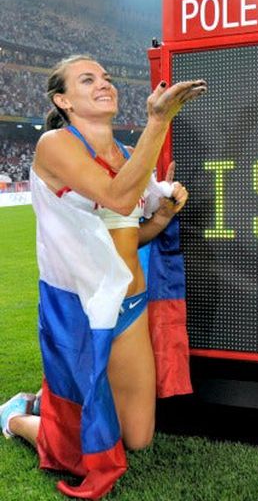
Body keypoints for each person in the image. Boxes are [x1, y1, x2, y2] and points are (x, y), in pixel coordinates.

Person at [0, 54, 206, 499]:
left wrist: (162, 215)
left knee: (138, 439)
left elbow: (132, 234)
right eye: (87, 79)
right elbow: (117, 196)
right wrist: (158, 121)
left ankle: (49, 401)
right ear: (63, 101)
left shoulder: (130, 156)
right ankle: (16, 416)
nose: (104, 84)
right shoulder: (54, 145)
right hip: (80, 309)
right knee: (73, 453)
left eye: (107, 78)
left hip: (129, 306)